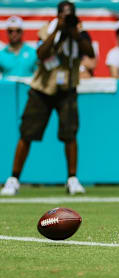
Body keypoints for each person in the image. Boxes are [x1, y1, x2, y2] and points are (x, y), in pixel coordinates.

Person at [1, 1, 95, 197]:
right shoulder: (47, 29)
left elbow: (90, 52)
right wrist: (58, 32)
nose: (67, 18)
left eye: (70, 14)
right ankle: (14, 179)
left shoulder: (79, 32)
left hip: (67, 88)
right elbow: (42, 53)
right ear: (58, 15)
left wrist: (74, 33)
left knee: (70, 134)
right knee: (27, 133)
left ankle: (72, 179)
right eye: (64, 15)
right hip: (43, 89)